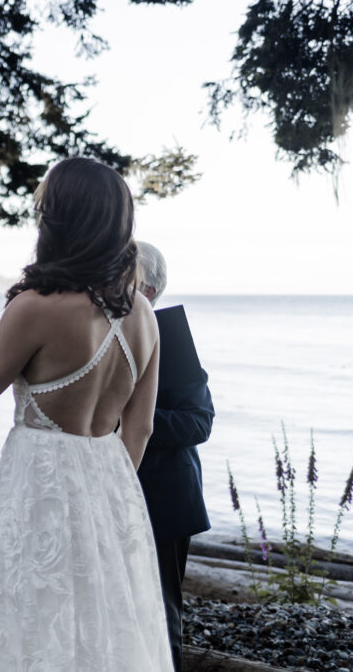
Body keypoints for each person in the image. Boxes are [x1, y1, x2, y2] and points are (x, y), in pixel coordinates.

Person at [0, 157, 172, 671]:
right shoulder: (144, 314)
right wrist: (105, 496)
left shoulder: (37, 307)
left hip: (40, 487)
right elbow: (142, 426)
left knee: (33, 621)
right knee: (104, 627)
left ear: (61, 220)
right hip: (111, 487)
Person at [136, 241, 214, 672]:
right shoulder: (105, 332)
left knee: (162, 612)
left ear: (146, 289)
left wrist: (131, 420)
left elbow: (199, 422)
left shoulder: (172, 335)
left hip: (164, 497)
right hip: (115, 488)